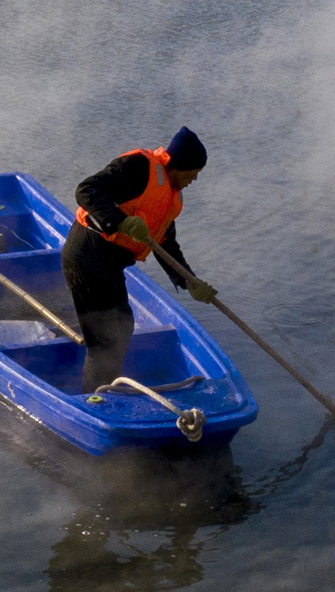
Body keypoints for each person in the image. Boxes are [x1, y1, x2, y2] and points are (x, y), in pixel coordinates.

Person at [62, 126, 218, 393]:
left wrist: (190, 281)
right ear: (181, 166)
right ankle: (95, 400)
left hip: (110, 265)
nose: (194, 179)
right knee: (103, 340)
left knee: (121, 327)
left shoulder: (171, 197)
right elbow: (86, 190)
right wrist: (120, 222)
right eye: (194, 173)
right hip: (86, 257)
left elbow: (166, 244)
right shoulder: (137, 167)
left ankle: (108, 386)